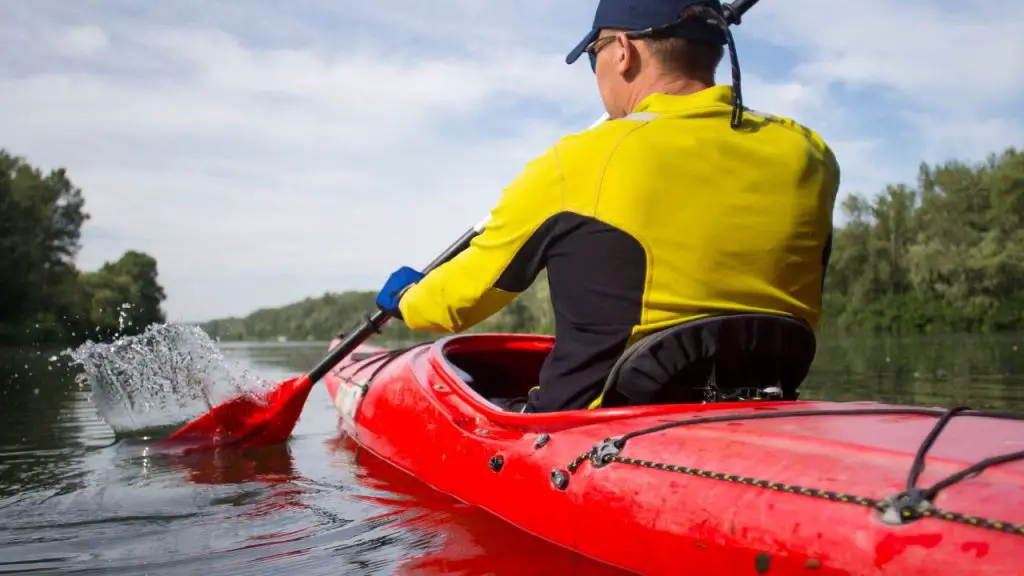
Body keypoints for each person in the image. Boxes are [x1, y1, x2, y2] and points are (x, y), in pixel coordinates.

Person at [375, 0, 840, 414]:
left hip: (596, 429)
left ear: (622, 51)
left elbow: (458, 305)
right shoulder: (809, 153)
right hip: (768, 409)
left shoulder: (575, 162)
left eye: (593, 56)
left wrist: (408, 300)